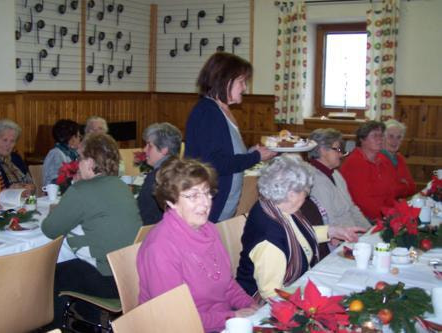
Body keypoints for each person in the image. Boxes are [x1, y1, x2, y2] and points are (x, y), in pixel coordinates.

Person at [137, 158, 259, 333]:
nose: (205, 202)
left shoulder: (208, 229)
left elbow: (227, 284)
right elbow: (176, 318)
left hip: (220, 321)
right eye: (193, 195)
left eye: (207, 193)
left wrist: (251, 306)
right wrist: (234, 317)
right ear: (170, 201)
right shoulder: (160, 249)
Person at [41, 133, 142, 327]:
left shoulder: (82, 190)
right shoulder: (121, 186)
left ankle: (53, 328)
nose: (77, 164)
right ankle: (87, 322)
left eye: (79, 158)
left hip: (108, 280)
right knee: (79, 263)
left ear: (90, 162)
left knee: (48, 273)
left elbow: (49, 229)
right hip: (131, 275)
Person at [236, 155, 365, 299]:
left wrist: (332, 231)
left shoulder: (277, 205)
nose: (307, 196)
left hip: (295, 285)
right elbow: (271, 294)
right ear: (291, 195)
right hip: (265, 301)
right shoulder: (270, 243)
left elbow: (295, 235)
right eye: (306, 191)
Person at [185, 52, 276, 223]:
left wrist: (253, 153)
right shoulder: (208, 113)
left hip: (219, 202)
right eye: (241, 81)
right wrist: (255, 157)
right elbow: (214, 163)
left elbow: (226, 156)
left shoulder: (221, 110)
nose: (244, 87)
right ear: (224, 80)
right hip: (207, 203)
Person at [307, 128, 371, 229]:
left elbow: (352, 208)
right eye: (337, 149)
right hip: (341, 238)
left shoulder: (335, 174)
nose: (341, 154)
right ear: (322, 150)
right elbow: (329, 222)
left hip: (353, 232)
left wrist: (369, 230)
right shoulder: (314, 180)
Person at [340, 121, 397, 220]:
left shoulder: (384, 160)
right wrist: (385, 218)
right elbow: (362, 201)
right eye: (375, 136)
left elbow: (390, 193)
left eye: (381, 136)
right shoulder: (354, 163)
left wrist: (393, 212)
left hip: (384, 215)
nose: (380, 139)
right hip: (363, 217)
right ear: (362, 139)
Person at [137, 122, 182, 225]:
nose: (144, 150)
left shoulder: (156, 178)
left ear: (164, 150)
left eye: (149, 145)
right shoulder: (182, 171)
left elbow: (141, 215)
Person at [0, 119, 35, 195]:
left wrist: (30, 187)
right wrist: (9, 190)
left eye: (12, 141)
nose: (8, 145)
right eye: (5, 140)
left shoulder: (15, 157)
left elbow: (31, 183)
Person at [381, 119, 416, 198]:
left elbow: (412, 188)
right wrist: (404, 184)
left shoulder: (399, 158)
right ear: (382, 138)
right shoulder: (378, 158)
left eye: (399, 137)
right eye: (391, 136)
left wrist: (400, 185)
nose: (395, 141)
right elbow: (389, 191)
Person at [42, 119, 81, 186]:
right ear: (72, 139)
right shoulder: (56, 154)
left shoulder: (73, 154)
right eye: (79, 136)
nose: (80, 139)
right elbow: (54, 182)